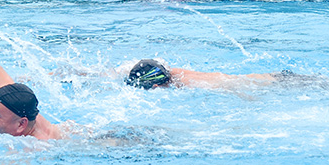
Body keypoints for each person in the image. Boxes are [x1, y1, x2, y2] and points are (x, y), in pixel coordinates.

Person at [126, 58, 296, 90]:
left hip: (275, 84)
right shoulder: (174, 71)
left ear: (155, 85)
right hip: (274, 77)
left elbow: (234, 90)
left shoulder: (191, 84)